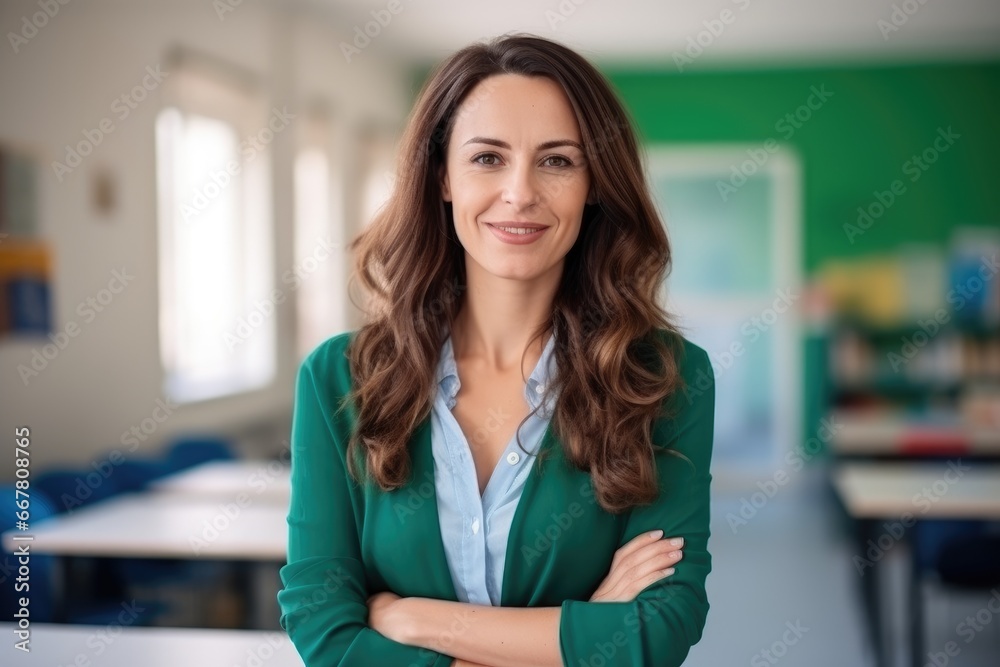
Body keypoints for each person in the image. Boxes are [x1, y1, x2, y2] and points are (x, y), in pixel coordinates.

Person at [277, 32, 716, 667]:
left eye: (557, 161)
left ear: (595, 183)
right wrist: (579, 630)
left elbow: (659, 630)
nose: (520, 192)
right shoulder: (338, 378)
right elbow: (323, 626)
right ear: (443, 177)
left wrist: (414, 619)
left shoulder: (664, 378)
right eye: (487, 157)